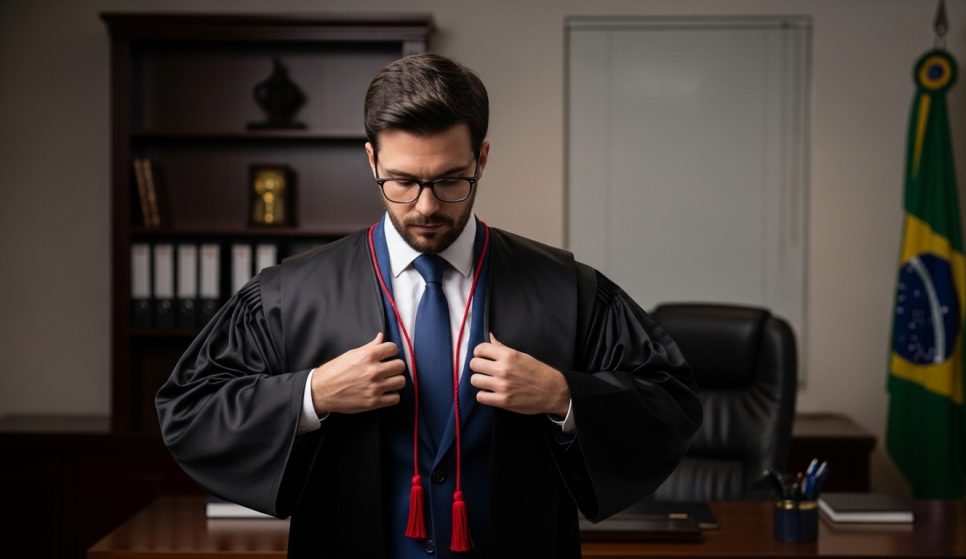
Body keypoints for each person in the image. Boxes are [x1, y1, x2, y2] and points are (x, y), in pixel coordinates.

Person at [156, 53, 702, 559]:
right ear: (371, 160)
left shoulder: (568, 289)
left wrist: (563, 396)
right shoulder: (286, 295)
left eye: (449, 181)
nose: (426, 206)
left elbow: (670, 402)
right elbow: (190, 409)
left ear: (481, 159)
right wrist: (310, 395)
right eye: (402, 181)